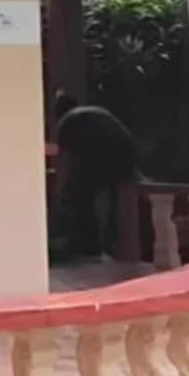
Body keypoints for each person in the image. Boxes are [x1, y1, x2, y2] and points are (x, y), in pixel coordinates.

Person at [51, 95, 140, 260]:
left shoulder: (66, 123)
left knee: (81, 194)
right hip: (126, 153)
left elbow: (64, 164)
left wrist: (58, 197)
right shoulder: (89, 113)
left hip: (111, 155)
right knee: (99, 196)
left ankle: (88, 245)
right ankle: (104, 242)